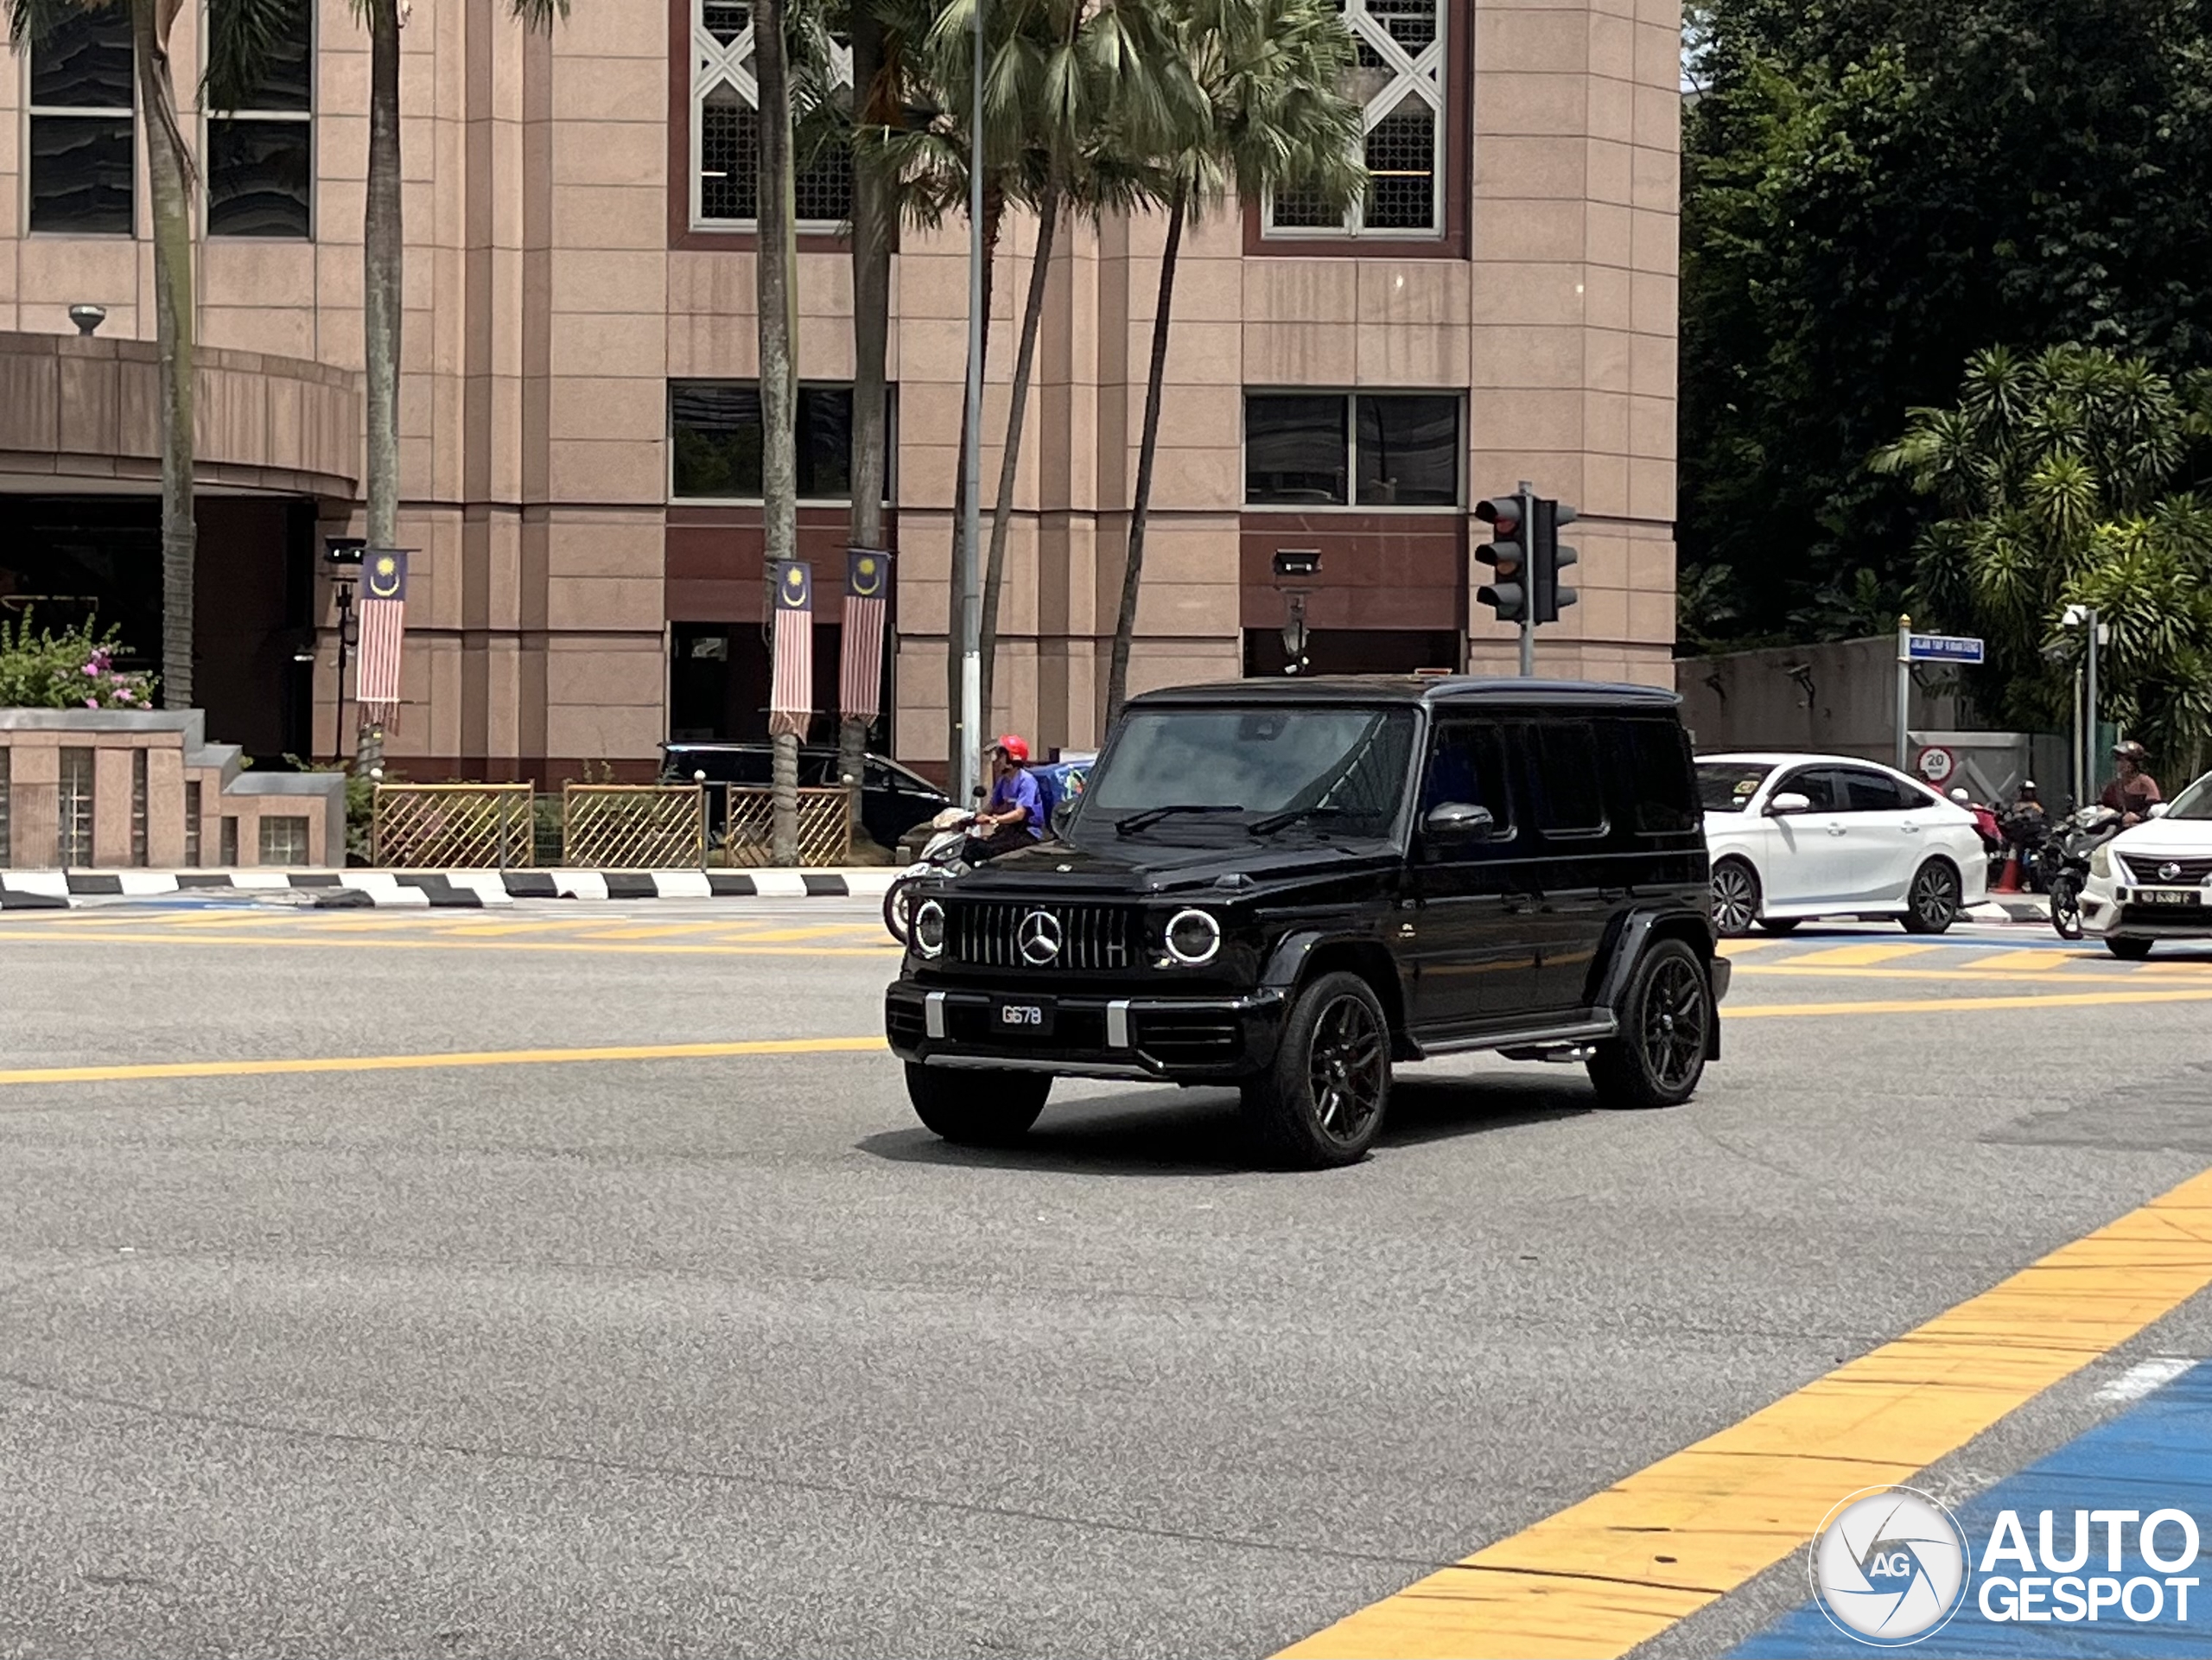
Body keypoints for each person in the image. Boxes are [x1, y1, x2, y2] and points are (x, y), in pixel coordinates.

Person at [968, 735, 1045, 860]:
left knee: (987, 850)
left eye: (1000, 757)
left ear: (1011, 759)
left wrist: (994, 819)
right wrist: (973, 817)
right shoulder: (1003, 781)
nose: (996, 761)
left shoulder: (1026, 781)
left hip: (1027, 833)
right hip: (1008, 831)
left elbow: (1019, 814)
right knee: (972, 845)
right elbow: (992, 806)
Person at [2100, 741, 2164, 826]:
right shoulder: (2114, 786)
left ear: (2134, 763)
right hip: (2118, 828)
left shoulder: (2145, 783)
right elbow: (2103, 804)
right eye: (2116, 760)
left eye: (2122, 760)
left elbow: (2154, 806)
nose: (2118, 763)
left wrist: (2138, 816)